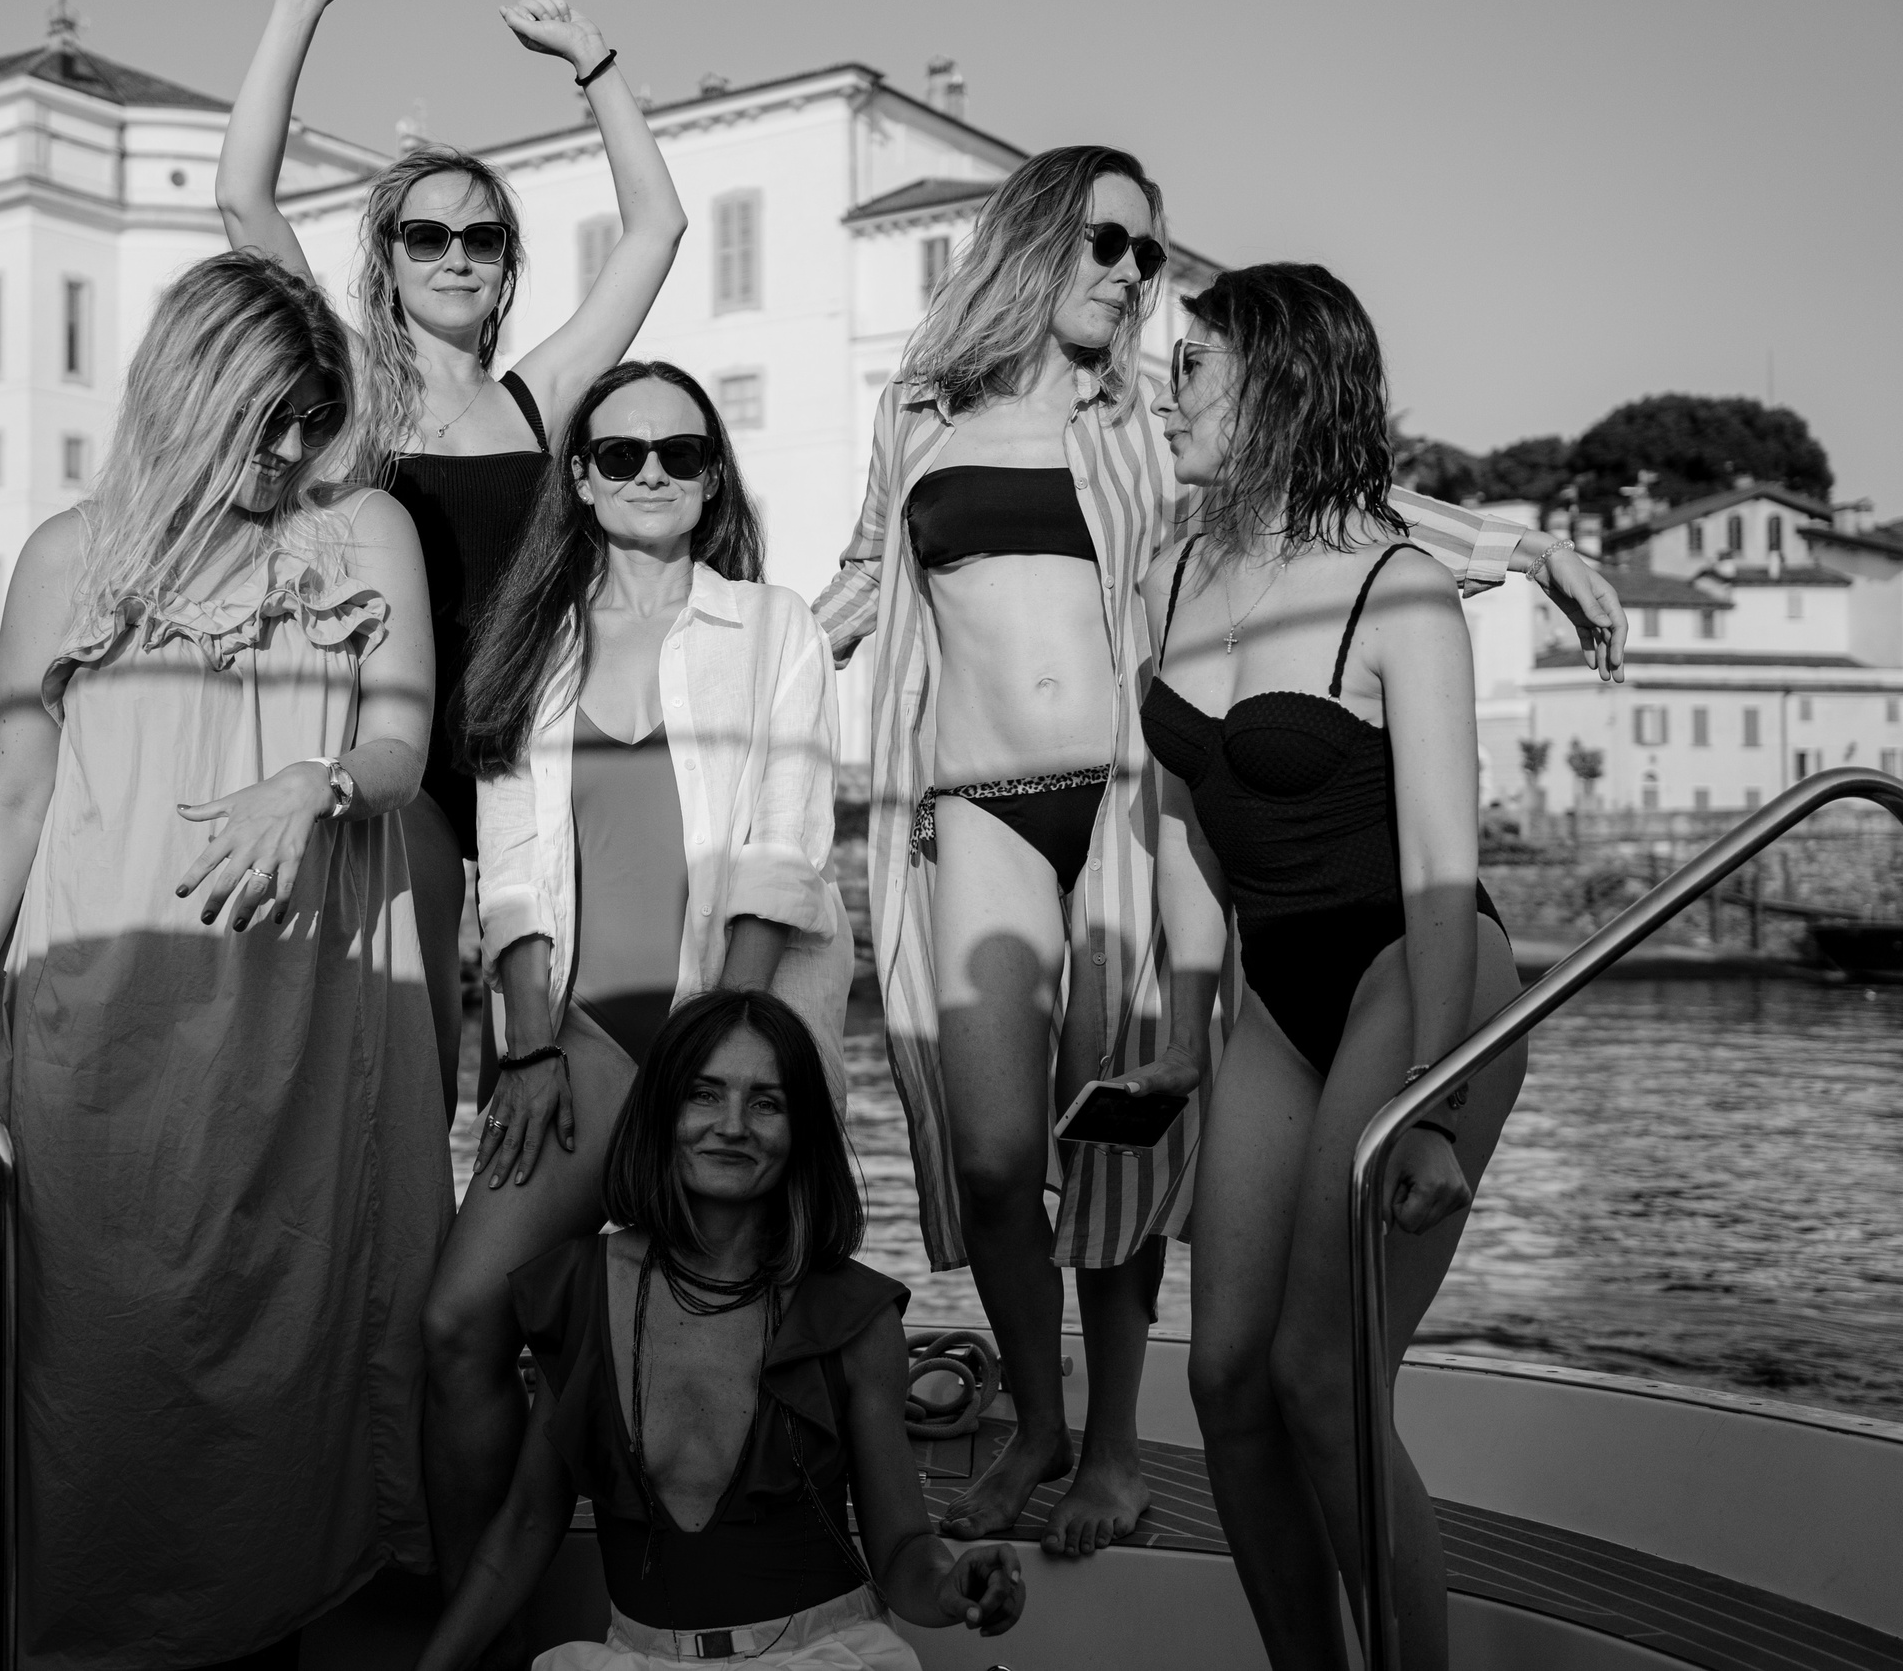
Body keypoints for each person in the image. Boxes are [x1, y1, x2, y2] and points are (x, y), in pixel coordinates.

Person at [809, 145, 1624, 1553]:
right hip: (971, 801)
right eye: (1109, 244)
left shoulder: (1145, 417)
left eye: (1148, 253)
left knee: (1115, 1126)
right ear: (1038, 237)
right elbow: (870, 573)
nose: (1134, 276)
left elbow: (1322, 495)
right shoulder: (919, 411)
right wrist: (726, 640)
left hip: (1125, 797)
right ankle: (1040, 1422)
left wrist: (1517, 542)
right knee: (1002, 1151)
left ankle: (1115, 1447)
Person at [0, 251, 447, 1671]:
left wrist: (316, 783)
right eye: (266, 418)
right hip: (98, 987)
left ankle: (255, 1622)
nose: (291, 450)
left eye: (313, 418)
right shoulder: (68, 553)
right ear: (192, 393)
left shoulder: (363, 534)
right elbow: (14, 786)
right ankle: (78, 1622)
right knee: (104, 1329)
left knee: (283, 1323)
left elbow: (404, 744)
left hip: (303, 990)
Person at [1131, 262, 1530, 1671]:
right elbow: (1182, 814)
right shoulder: (1175, 563)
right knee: (1223, 1373)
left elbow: (1438, 861)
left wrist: (1429, 1096)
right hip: (1274, 993)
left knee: (1323, 1372)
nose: (1161, 388)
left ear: (1284, 388)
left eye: (1193, 369)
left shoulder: (1400, 592)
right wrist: (1184, 1034)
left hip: (1419, 978)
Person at [218, 0, 685, 1119]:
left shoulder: (541, 400)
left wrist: (597, 66)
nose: (456, 255)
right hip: (401, 763)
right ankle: (406, 1287)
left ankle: (536, 1287)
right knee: (411, 1060)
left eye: (481, 238)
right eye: (425, 236)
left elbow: (658, 227)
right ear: (386, 259)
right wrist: (299, 1)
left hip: (536, 750)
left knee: (571, 1055)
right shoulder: (344, 400)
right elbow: (241, 203)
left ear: (506, 263)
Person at [433, 361, 855, 1610]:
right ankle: (481, 1635)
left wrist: (719, 1072)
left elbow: (782, 852)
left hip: (722, 1040)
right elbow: (508, 874)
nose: (653, 473)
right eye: (622, 454)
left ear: (712, 472)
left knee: (727, 1355)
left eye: (680, 452)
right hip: (577, 1042)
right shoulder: (529, 645)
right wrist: (525, 1047)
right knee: (460, 1322)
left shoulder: (774, 628)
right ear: (580, 476)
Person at [417, 990, 1024, 1671]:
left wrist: (953, 1586)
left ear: (802, 1132)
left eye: (766, 1102)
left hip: (819, 1656)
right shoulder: (581, 1292)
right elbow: (525, 1525)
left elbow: (904, 1547)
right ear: (661, 1114)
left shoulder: (855, 1317)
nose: (733, 1125)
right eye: (704, 1095)